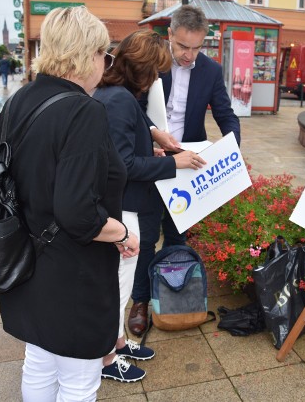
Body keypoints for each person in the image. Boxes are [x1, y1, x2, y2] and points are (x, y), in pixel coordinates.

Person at [0, 6, 140, 401]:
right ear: (88, 54)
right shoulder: (84, 111)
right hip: (72, 272)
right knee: (79, 378)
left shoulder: (20, 99)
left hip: (23, 259)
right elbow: (78, 214)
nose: (106, 63)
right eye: (105, 54)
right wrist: (121, 232)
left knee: (40, 359)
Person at [93, 29, 206, 382]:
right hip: (124, 208)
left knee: (121, 283)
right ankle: (107, 360)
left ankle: (119, 341)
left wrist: (152, 144)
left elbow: (123, 151)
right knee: (119, 286)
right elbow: (124, 167)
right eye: (155, 71)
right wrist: (176, 162)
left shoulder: (117, 95)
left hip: (126, 204)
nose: (157, 78)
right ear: (141, 69)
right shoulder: (121, 101)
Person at [128, 4, 241, 336]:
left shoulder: (209, 69)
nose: (190, 55)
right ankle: (140, 301)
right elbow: (132, 106)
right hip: (153, 159)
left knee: (178, 236)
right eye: (182, 47)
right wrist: (150, 135)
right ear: (169, 37)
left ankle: (171, 293)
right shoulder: (150, 63)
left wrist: (233, 148)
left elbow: (225, 112)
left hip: (189, 164)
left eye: (196, 47)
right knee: (146, 236)